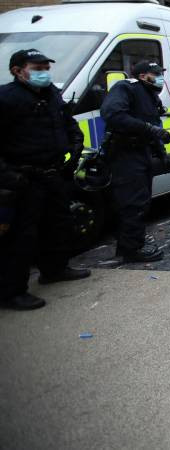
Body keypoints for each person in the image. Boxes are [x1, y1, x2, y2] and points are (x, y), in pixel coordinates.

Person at [0, 48, 90, 310]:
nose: (44, 73)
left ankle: (55, 270)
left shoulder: (51, 94)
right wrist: (10, 177)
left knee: (57, 224)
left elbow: (68, 123)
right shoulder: (7, 98)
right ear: (18, 71)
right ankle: (12, 292)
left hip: (53, 173)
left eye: (46, 68)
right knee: (21, 236)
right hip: (24, 177)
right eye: (37, 68)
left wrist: (75, 146)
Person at [101, 60, 170, 262]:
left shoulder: (151, 96)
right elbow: (112, 114)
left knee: (141, 202)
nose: (160, 77)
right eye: (156, 74)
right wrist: (150, 130)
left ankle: (134, 243)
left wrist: (161, 153)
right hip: (124, 154)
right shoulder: (126, 88)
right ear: (142, 76)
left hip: (141, 153)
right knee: (132, 203)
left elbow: (153, 126)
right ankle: (130, 250)